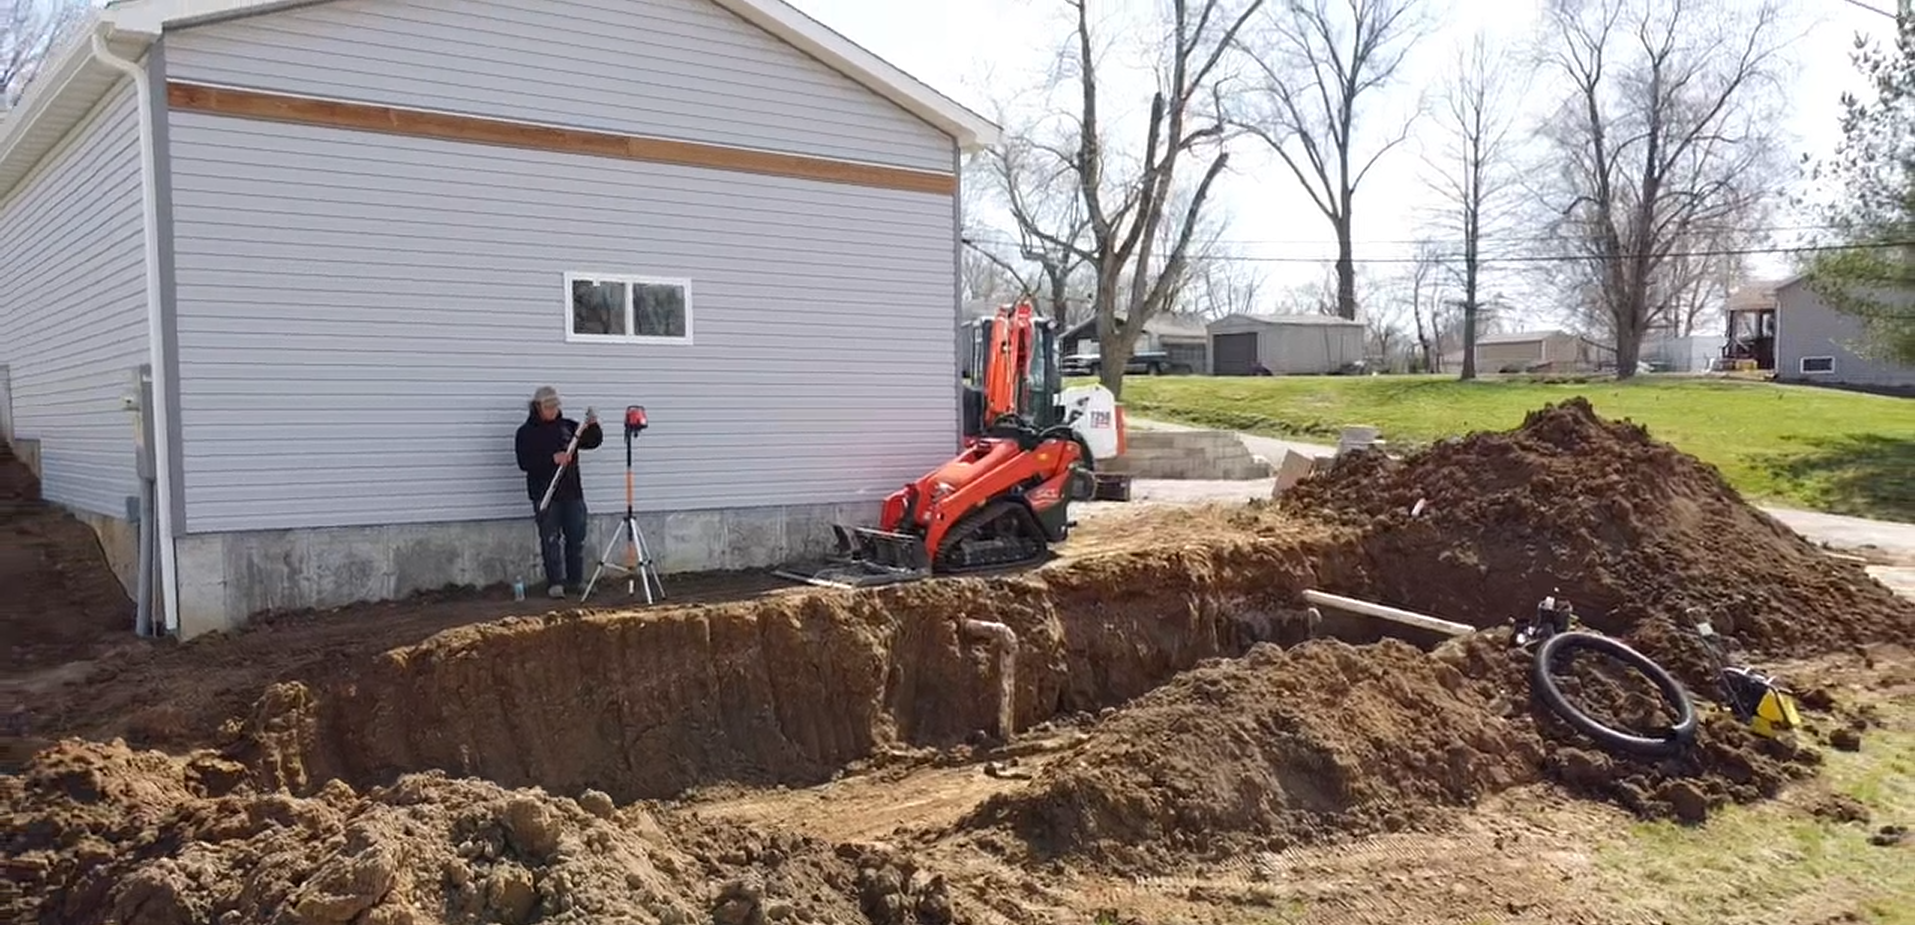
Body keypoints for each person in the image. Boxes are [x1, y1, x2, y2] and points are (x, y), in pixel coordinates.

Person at [515, 386, 602, 598]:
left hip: (572, 493)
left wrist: (593, 426)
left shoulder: (568, 427)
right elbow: (524, 463)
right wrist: (551, 459)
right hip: (545, 495)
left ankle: (575, 580)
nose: (552, 411)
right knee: (550, 539)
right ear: (537, 407)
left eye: (555, 406)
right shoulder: (526, 433)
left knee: (576, 538)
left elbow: (592, 442)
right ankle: (555, 582)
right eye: (547, 407)